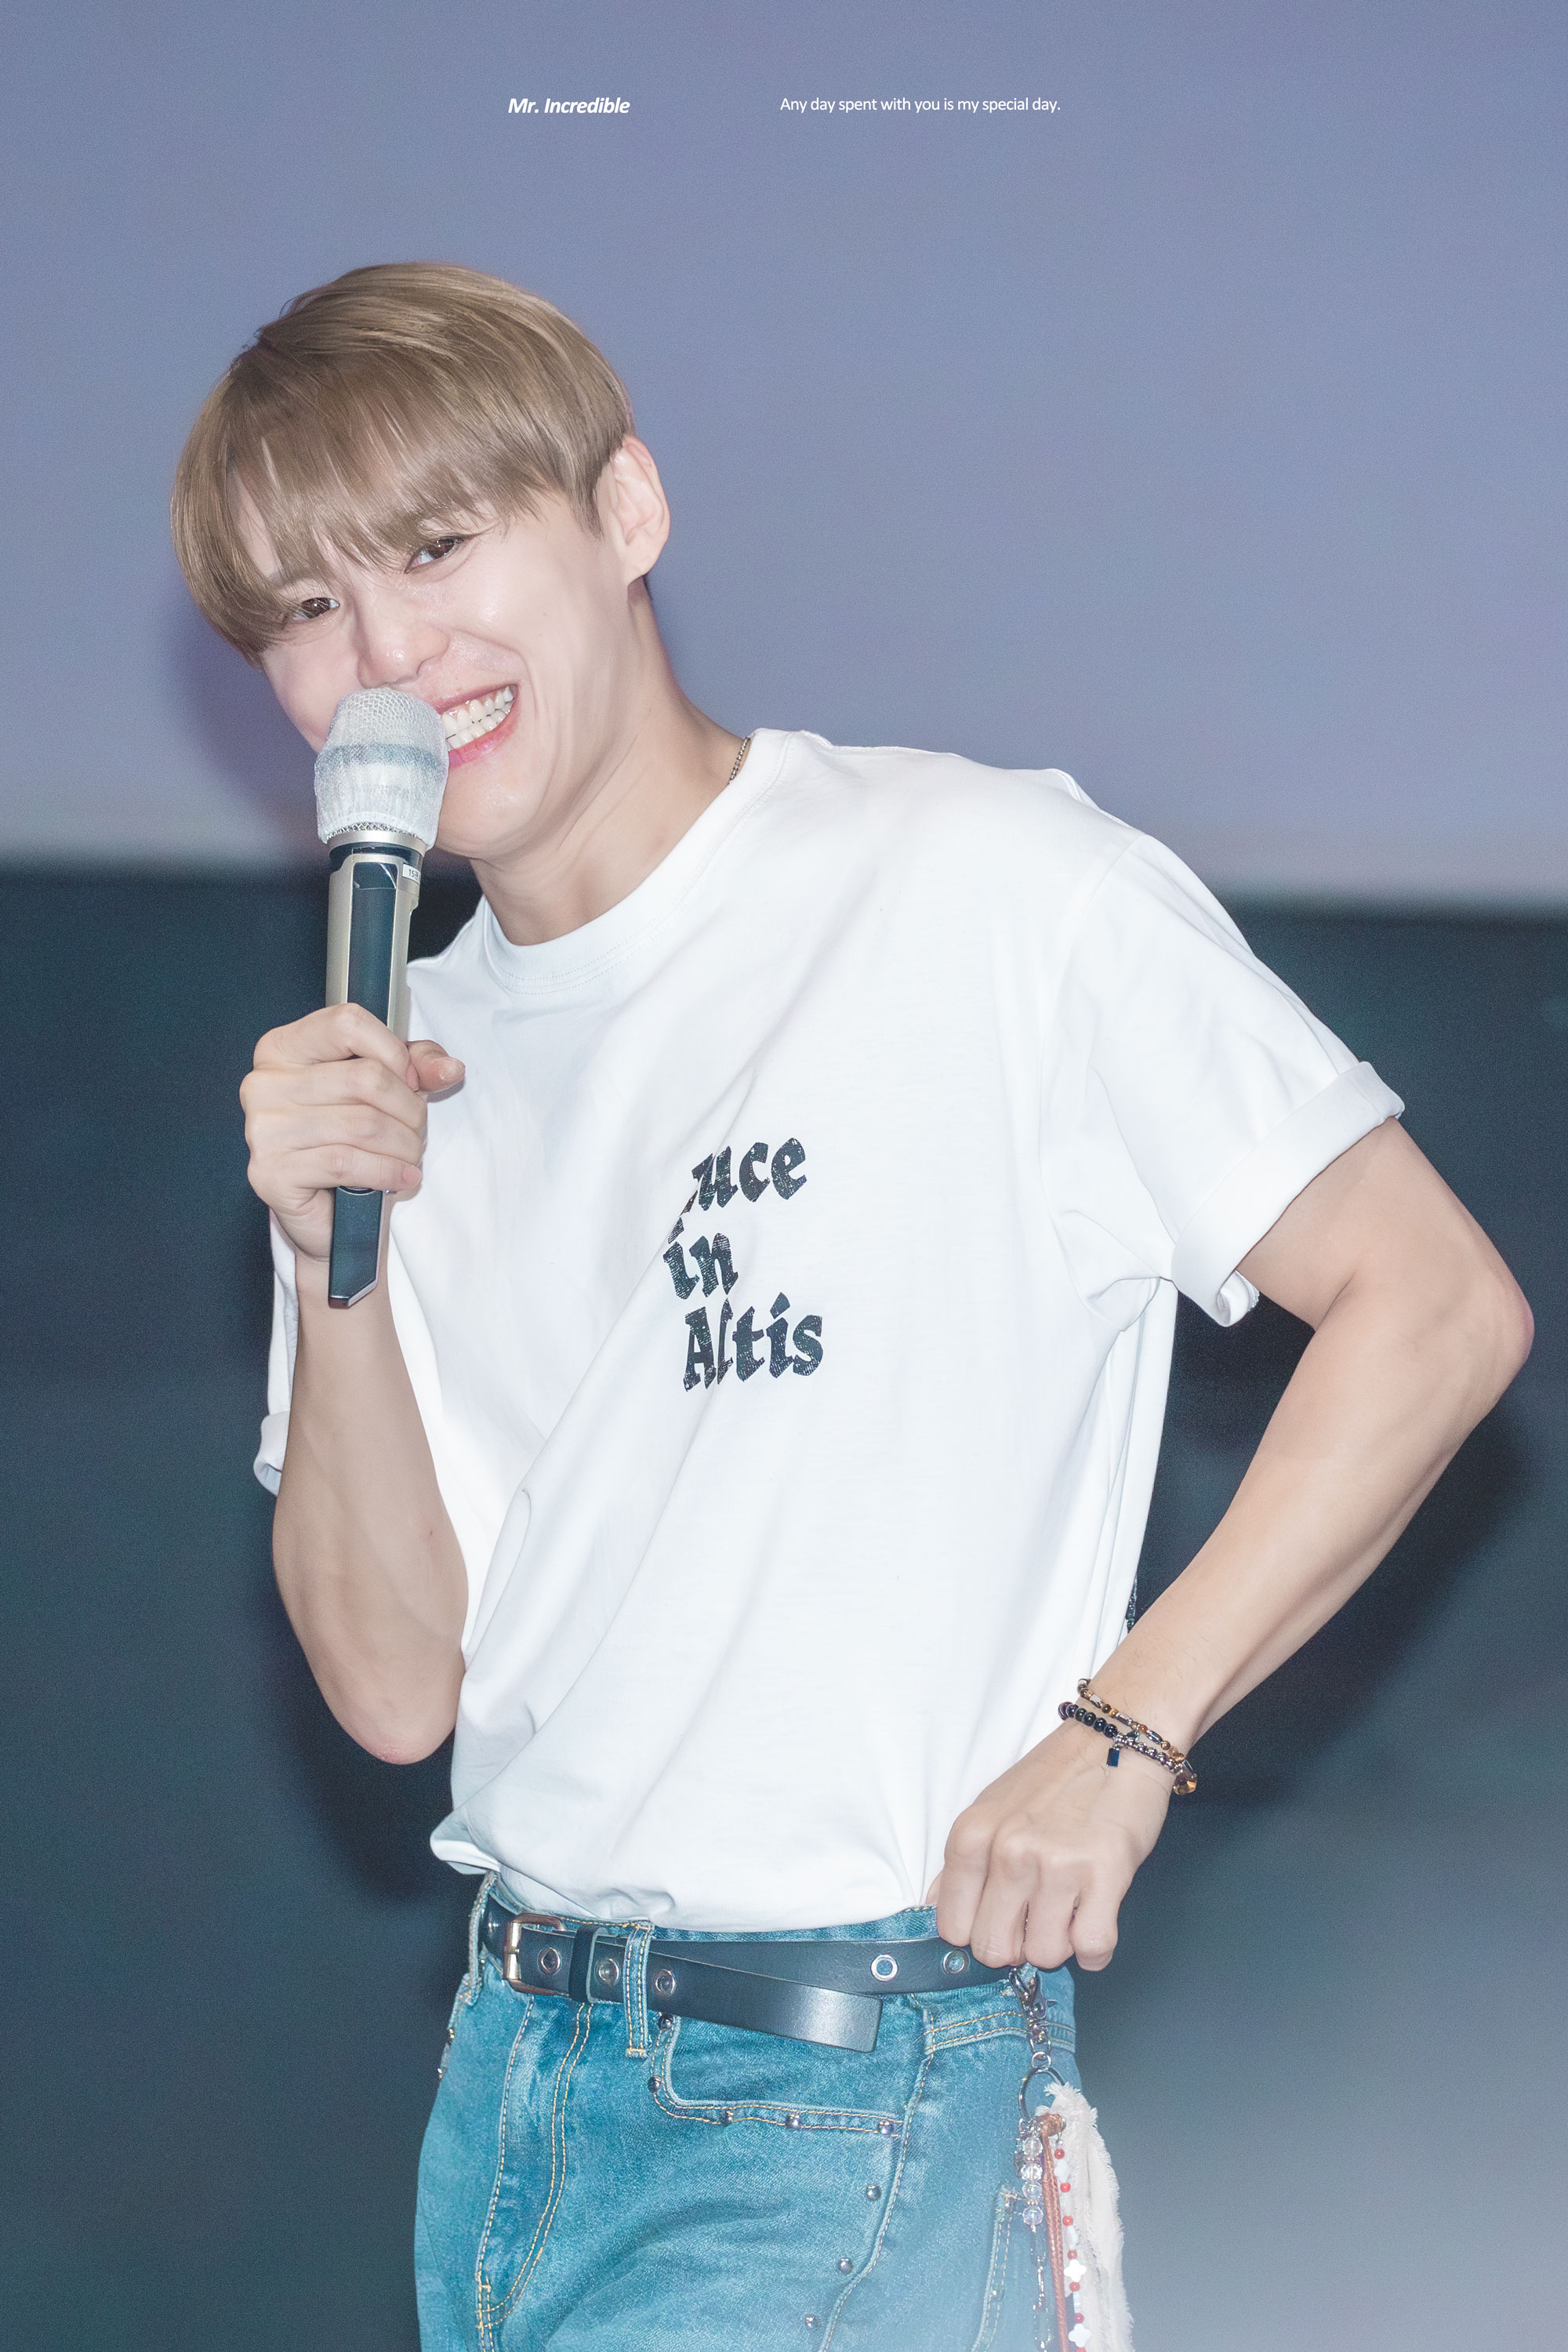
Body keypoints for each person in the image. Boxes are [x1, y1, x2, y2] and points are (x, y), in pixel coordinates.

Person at [171, 262, 1531, 2351]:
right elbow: (391, 1688)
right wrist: (323, 1256)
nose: (389, 661)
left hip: (846, 2089)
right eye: (306, 609)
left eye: (437, 549)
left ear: (626, 510)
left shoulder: (976, 885)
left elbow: (1433, 1302)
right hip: (515, 2085)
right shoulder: (395, 1053)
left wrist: (1127, 1732)